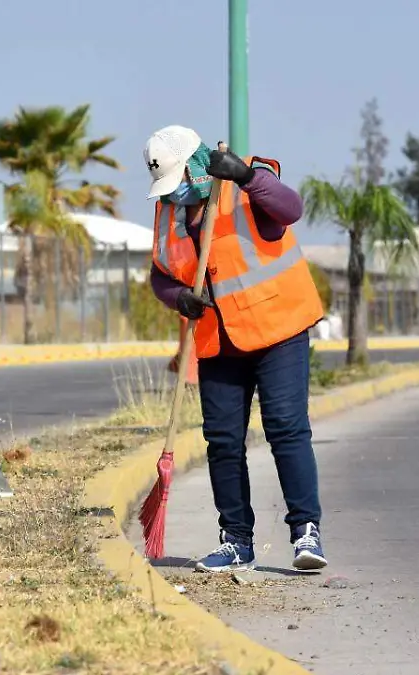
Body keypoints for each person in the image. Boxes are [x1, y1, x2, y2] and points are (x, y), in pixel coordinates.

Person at [144, 125, 328, 572]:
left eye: (180, 181)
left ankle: (306, 532)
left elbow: (292, 208)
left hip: (277, 327)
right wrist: (178, 298)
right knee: (223, 441)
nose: (176, 194)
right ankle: (236, 541)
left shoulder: (246, 184)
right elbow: (161, 275)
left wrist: (246, 176)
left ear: (198, 167)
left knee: (286, 428)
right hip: (217, 339)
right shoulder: (169, 211)